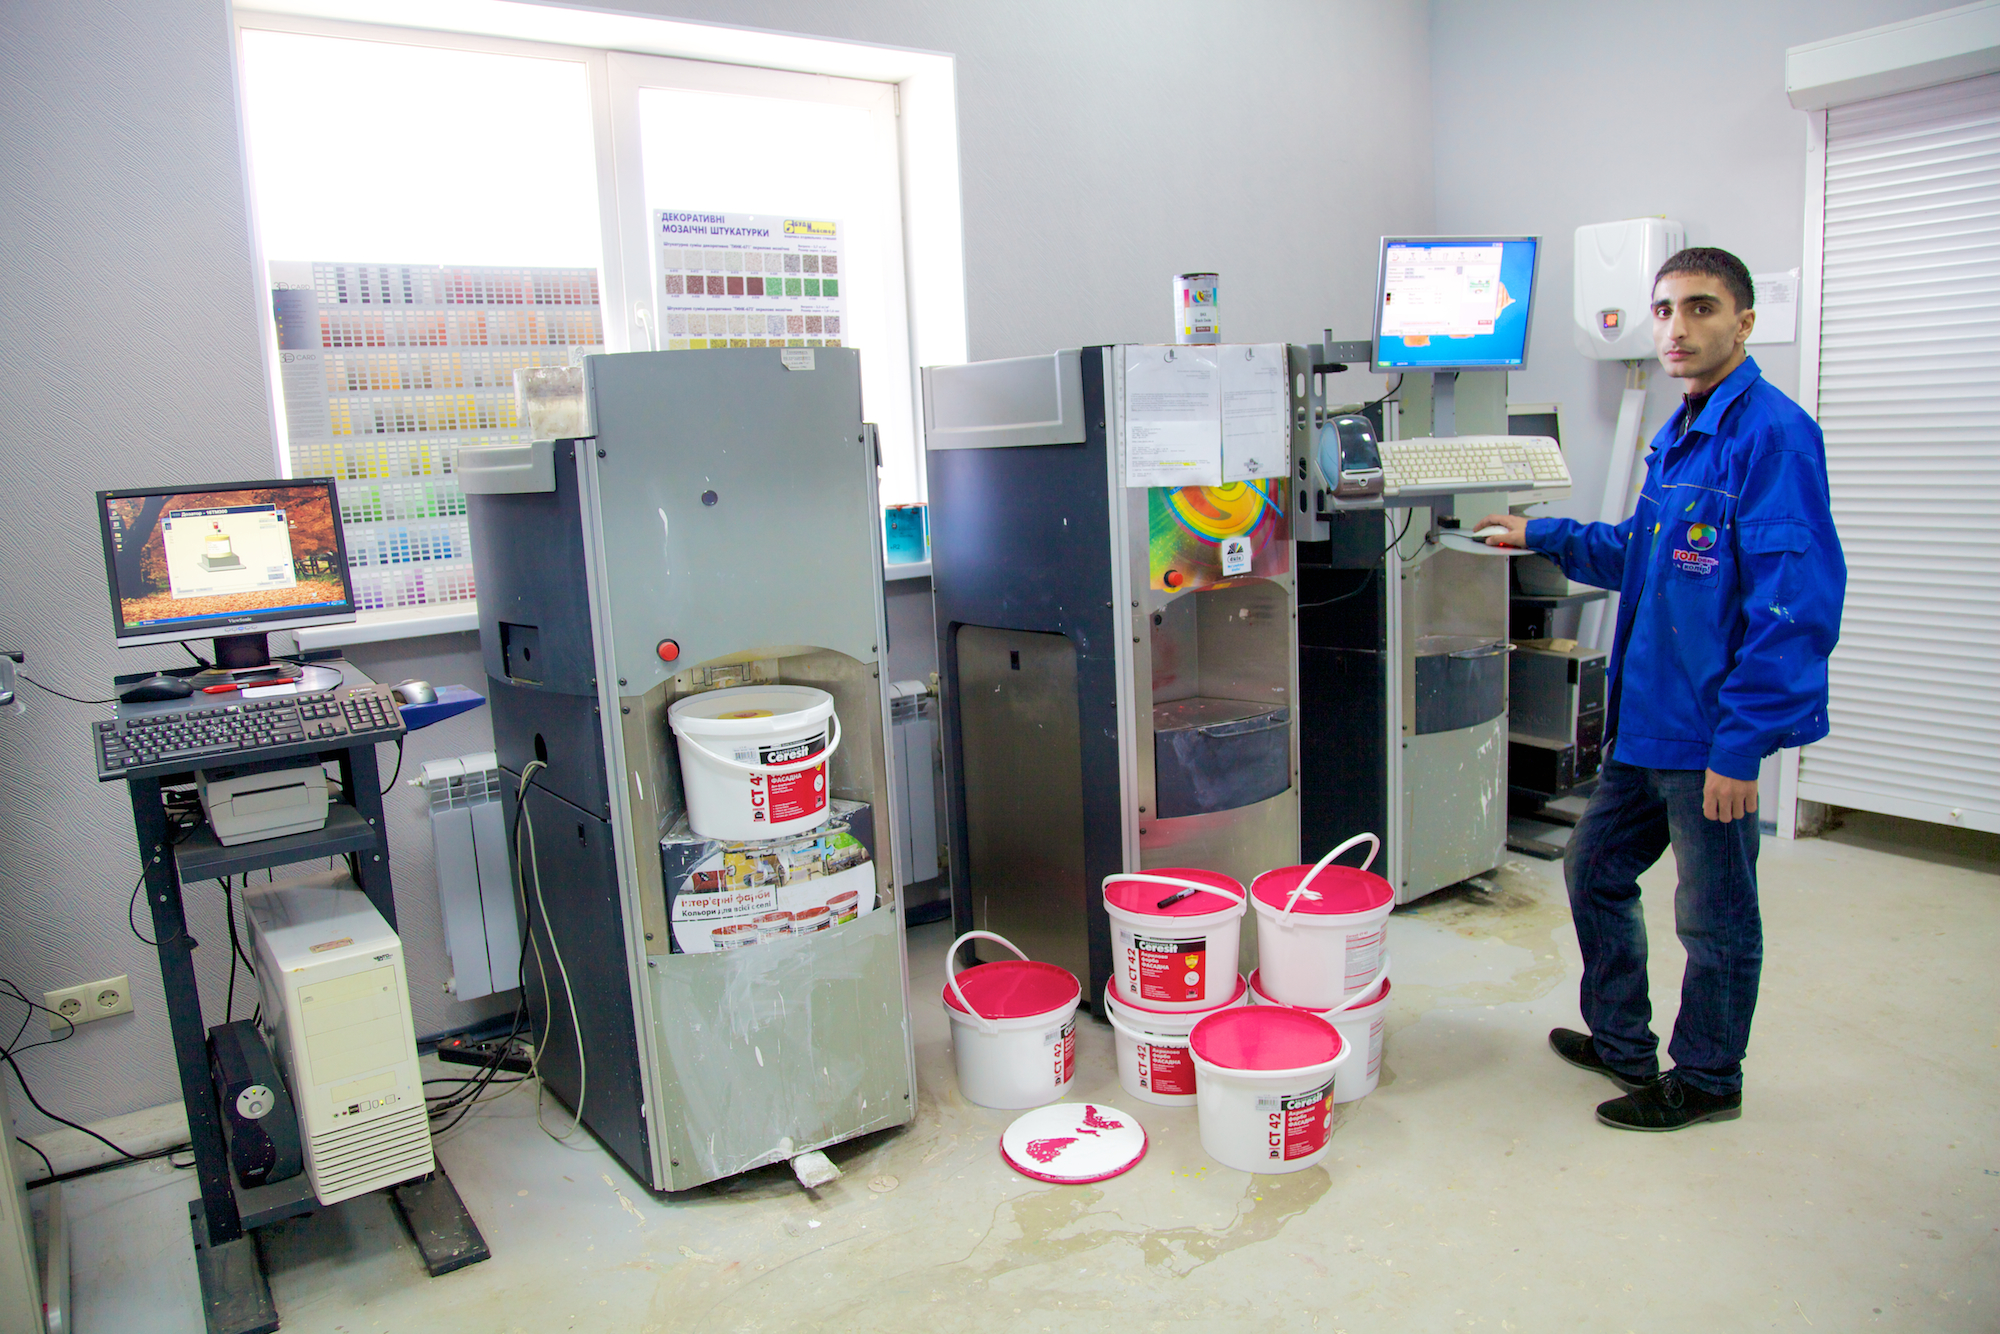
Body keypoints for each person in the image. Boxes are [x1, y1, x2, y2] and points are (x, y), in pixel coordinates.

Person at [1478, 246, 1845, 1131]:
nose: (1677, 328)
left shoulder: (1773, 438)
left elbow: (1793, 609)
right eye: (1665, 309)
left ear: (1744, 323)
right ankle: (1622, 1042)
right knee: (1594, 867)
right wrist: (1541, 533)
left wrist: (1741, 747)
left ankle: (1710, 1079)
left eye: (1701, 308)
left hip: (1708, 735)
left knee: (1714, 917)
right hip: (1647, 722)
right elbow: (1641, 554)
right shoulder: (1681, 433)